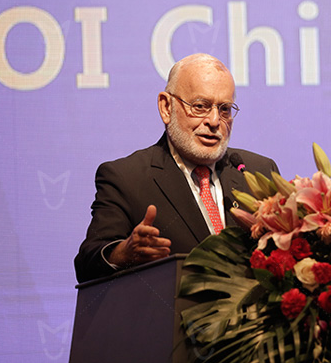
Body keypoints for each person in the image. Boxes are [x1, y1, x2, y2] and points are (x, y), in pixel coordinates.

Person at [74, 53, 279, 283]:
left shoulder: (258, 171)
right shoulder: (126, 178)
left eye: (225, 109)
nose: (214, 121)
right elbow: (87, 263)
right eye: (200, 106)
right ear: (166, 107)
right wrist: (123, 253)